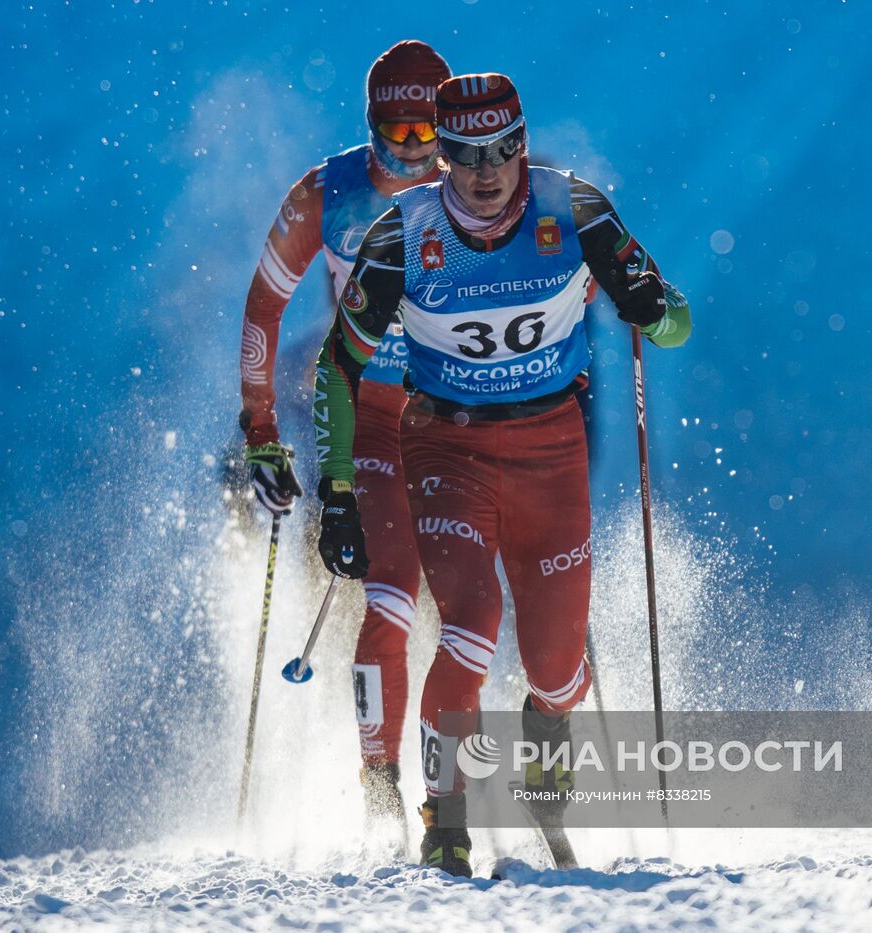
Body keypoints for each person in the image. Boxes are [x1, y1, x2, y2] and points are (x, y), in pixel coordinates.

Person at [312, 73, 691, 876]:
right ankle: (445, 815)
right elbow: (338, 366)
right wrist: (337, 488)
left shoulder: (573, 208)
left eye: (503, 150)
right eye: (464, 154)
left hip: (549, 450)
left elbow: (676, 323)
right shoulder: (401, 234)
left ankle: (544, 761)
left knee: (558, 672)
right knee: (470, 625)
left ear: (524, 144)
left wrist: (654, 306)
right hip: (445, 448)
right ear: (440, 157)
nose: (486, 171)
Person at [237, 41, 451, 838]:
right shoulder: (326, 195)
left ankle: (468, 774)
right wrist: (260, 433)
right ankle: (378, 781)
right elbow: (265, 308)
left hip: (460, 410)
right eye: (397, 136)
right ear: (371, 131)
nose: (416, 154)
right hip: (360, 402)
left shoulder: (479, 180)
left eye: (430, 133)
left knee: (460, 600)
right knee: (390, 588)